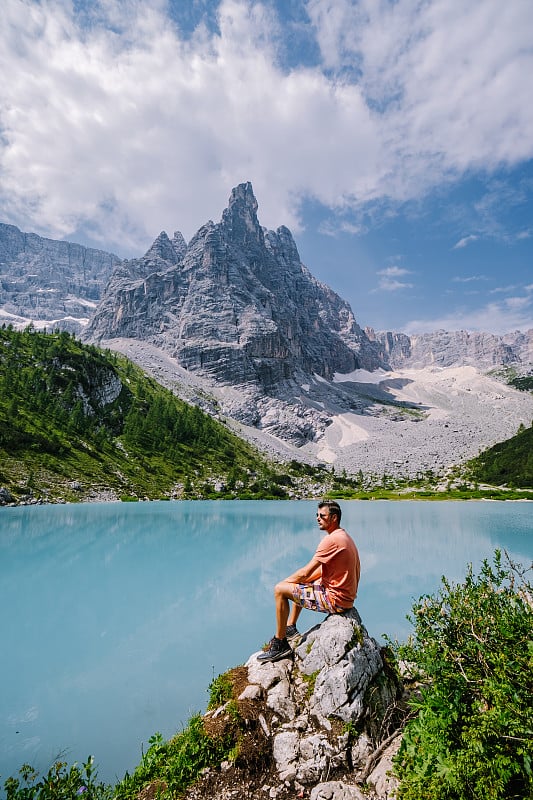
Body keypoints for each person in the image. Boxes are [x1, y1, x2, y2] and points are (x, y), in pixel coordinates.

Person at [258, 500, 360, 663]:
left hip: (335, 601)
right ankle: (290, 627)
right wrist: (295, 584)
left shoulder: (331, 540)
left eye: (322, 516)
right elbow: (319, 572)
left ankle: (280, 644)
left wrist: (285, 584)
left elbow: (305, 573)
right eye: (317, 515)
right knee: (300, 585)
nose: (317, 518)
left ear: (333, 518)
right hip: (345, 598)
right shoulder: (343, 536)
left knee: (279, 590)